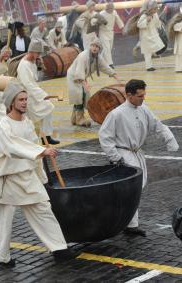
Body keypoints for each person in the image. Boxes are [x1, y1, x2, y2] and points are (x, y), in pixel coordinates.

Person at [0, 81, 79, 266]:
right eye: (20, 99)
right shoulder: (4, 125)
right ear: (11, 102)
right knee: (4, 219)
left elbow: (33, 149)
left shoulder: (27, 122)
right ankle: (3, 257)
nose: (24, 102)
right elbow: (12, 147)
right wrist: (41, 151)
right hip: (8, 179)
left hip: (27, 177)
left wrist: (43, 178)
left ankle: (59, 249)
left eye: (26, 99)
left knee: (43, 209)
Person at [99, 79, 179, 237]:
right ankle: (127, 224)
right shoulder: (116, 114)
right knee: (130, 191)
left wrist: (170, 140)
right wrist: (115, 157)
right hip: (124, 155)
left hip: (136, 154)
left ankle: (130, 225)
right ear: (129, 95)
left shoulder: (144, 109)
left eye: (144, 95)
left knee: (135, 190)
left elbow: (157, 125)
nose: (143, 98)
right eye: (140, 96)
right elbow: (104, 137)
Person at [67, 36, 119, 127]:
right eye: (93, 46)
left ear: (99, 49)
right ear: (90, 46)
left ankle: (74, 118)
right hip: (74, 76)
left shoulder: (98, 57)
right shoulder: (83, 56)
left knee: (84, 95)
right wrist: (84, 84)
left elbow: (104, 66)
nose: (95, 48)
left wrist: (114, 74)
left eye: (97, 46)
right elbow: (79, 71)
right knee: (80, 95)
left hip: (82, 77)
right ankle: (79, 119)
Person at [17, 40, 59, 145]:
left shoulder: (32, 62)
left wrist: (39, 66)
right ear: (32, 51)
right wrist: (43, 95)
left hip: (34, 94)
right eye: (38, 53)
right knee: (27, 119)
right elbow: (28, 85)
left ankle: (47, 136)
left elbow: (34, 79)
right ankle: (26, 140)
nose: (39, 55)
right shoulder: (24, 65)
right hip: (26, 96)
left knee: (48, 107)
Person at [137, 0, 164, 71]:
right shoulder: (144, 15)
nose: (156, 10)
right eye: (155, 8)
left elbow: (157, 23)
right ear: (150, 8)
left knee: (152, 49)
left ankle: (150, 65)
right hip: (145, 36)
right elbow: (139, 24)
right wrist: (146, 21)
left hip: (152, 35)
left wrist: (159, 25)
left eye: (156, 8)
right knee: (147, 52)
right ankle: (148, 67)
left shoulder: (155, 15)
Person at [99, 3, 124, 68]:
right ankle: (110, 64)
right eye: (110, 9)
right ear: (106, 9)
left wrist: (122, 28)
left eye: (112, 9)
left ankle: (99, 60)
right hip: (103, 32)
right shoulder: (101, 14)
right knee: (106, 48)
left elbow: (118, 20)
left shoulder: (114, 12)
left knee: (109, 48)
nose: (111, 10)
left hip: (110, 32)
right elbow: (96, 23)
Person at [169, 6, 182, 72]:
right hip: (180, 43)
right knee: (179, 55)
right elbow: (176, 28)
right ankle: (179, 68)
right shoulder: (178, 22)